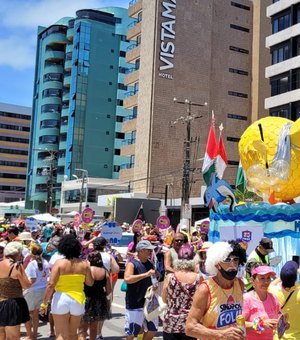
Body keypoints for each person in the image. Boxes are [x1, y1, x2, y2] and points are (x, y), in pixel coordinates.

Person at [186, 240, 246, 339]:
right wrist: (221, 334)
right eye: (227, 260)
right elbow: (190, 328)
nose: (232, 264)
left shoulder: (239, 284)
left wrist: (256, 324)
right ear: (217, 264)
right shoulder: (205, 289)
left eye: (236, 259)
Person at [40, 235, 94, 340]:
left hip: (61, 298)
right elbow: (90, 283)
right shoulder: (85, 264)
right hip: (78, 299)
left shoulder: (59, 263)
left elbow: (51, 284)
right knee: (73, 334)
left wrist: (44, 303)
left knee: (60, 335)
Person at [162, 243, 202, 339]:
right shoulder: (198, 278)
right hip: (190, 323)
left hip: (171, 323)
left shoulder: (170, 277)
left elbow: (164, 299)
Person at [124, 240, 157, 340]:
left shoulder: (150, 263)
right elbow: (127, 279)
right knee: (132, 331)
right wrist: (146, 275)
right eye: (148, 250)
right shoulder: (132, 264)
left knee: (153, 328)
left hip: (150, 302)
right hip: (135, 302)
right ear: (141, 251)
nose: (151, 252)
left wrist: (154, 284)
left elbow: (152, 279)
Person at [0, 242, 32, 340]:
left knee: (1, 335)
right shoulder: (16, 266)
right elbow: (26, 285)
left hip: (1, 302)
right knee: (13, 337)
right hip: (13, 304)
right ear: (17, 253)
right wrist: (29, 279)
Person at [78, 251, 112, 340]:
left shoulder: (86, 270)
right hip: (99, 300)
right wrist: (108, 303)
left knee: (82, 329)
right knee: (94, 328)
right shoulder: (105, 272)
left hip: (85, 299)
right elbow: (109, 290)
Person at [243, 265, 281, 339]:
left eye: (268, 278)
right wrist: (261, 324)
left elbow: (279, 314)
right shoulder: (246, 299)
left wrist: (283, 323)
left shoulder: (273, 298)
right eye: (262, 278)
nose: (266, 282)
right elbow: (238, 324)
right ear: (252, 280)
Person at [24, 244, 50, 339]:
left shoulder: (32, 264)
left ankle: (30, 335)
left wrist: (24, 283)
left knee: (26, 314)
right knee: (35, 313)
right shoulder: (46, 262)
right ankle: (34, 334)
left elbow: (33, 280)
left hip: (32, 291)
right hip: (42, 290)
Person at [269, 260, 300, 339]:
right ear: (295, 277)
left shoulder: (273, 291)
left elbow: (271, 284)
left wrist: (283, 276)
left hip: (278, 336)